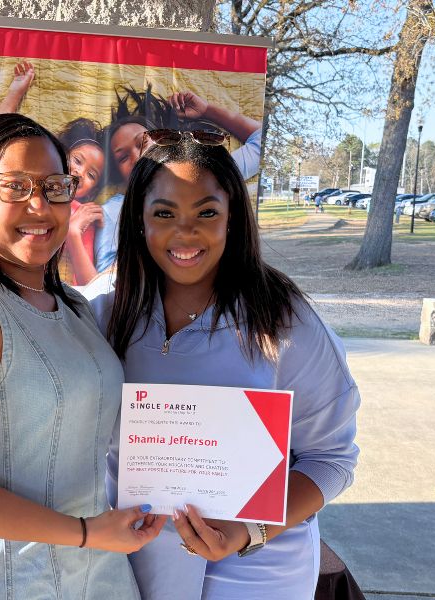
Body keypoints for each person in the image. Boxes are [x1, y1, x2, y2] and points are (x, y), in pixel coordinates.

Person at [0, 113, 166, 599]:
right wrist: (85, 532)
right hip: (2, 578)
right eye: (15, 186)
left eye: (55, 186)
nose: (40, 205)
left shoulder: (74, 306)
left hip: (95, 570)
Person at [89, 132, 360, 600]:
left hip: (255, 570)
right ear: (138, 221)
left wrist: (247, 531)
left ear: (233, 219)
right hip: (131, 568)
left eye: (207, 213)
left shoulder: (283, 322)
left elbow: (331, 461)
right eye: (164, 213)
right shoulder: (104, 313)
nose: (185, 233)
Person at [96, 86, 264, 275]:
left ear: (162, 140)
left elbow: (261, 142)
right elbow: (105, 278)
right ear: (117, 172)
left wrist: (207, 111)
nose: (137, 156)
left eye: (142, 143)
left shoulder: (207, 178)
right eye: (123, 157)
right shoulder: (113, 211)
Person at [0, 61, 106, 285]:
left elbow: (88, 285)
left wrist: (74, 231)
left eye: (92, 175)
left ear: (94, 189)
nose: (80, 172)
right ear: (62, 154)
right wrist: (16, 92)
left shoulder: (83, 214)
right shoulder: (29, 184)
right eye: (77, 160)